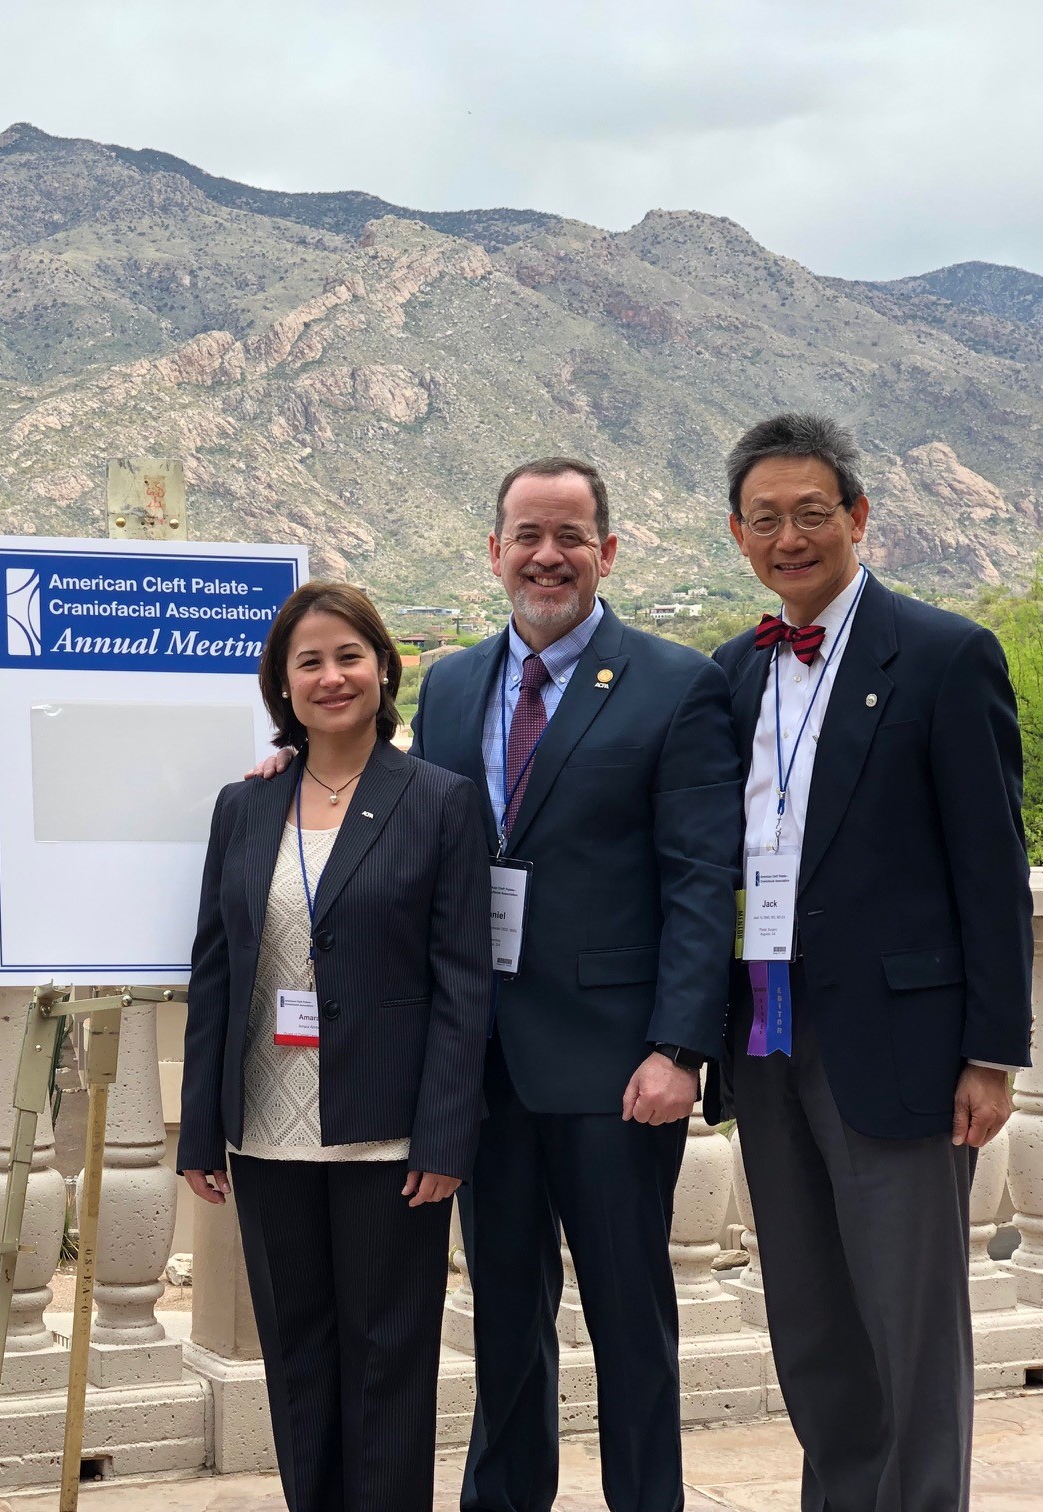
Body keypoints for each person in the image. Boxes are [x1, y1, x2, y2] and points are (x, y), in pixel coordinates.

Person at [707, 414, 1030, 1512]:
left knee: (911, 1330)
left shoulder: (943, 655)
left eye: (811, 513)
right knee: (812, 1326)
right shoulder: (734, 673)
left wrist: (992, 1051)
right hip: (764, 1035)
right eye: (765, 520)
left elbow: (993, 868)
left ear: (857, 517)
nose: (789, 537)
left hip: (901, 1048)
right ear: (738, 536)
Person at [411, 457, 741, 1512]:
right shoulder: (450, 686)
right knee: (504, 1319)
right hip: (483, 1066)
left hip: (617, 1068)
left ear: (608, 551)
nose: (546, 557)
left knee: (629, 1321)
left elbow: (701, 880)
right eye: (527, 535)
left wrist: (679, 1048)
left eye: (569, 536)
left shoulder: (677, 683)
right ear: (494, 551)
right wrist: (287, 764)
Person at [179, 580, 491, 1512]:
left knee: (389, 1363)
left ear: (384, 668)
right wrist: (200, 1129)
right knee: (297, 1361)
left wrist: (445, 1135)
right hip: (266, 1134)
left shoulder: (438, 801)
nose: (331, 677)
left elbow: (464, 981)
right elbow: (215, 970)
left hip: (387, 1134)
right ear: (282, 683)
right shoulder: (244, 806)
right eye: (308, 661)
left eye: (349, 656)